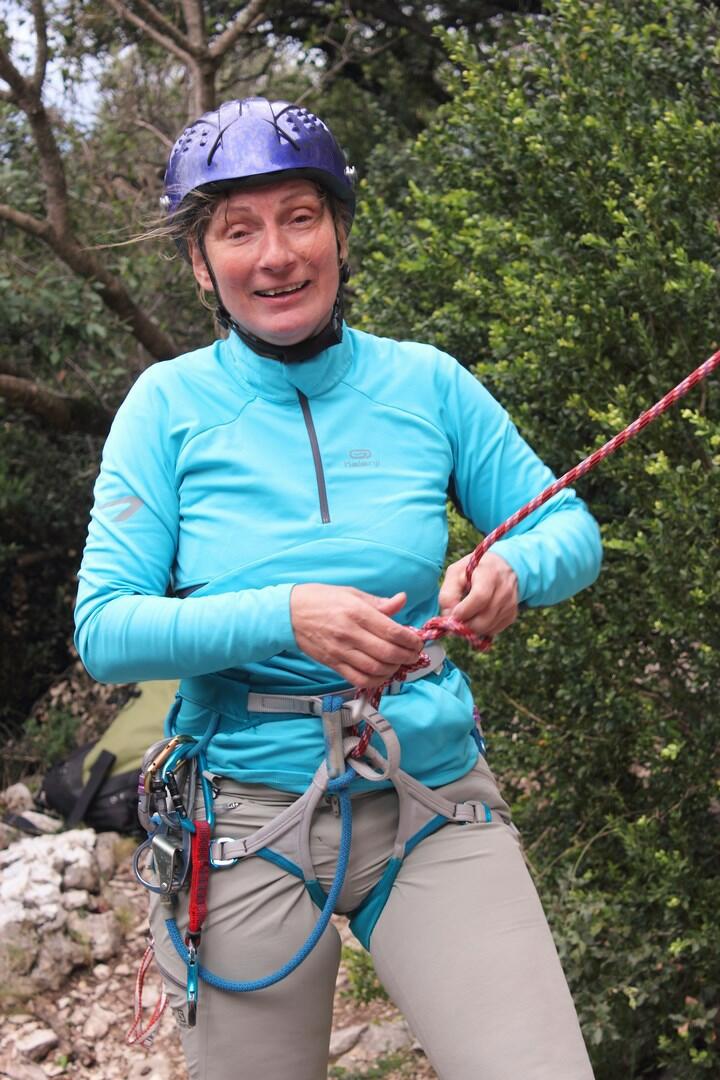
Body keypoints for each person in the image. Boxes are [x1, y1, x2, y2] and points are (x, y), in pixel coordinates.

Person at [75, 97, 602, 1080]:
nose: (276, 255)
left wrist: (511, 570)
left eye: (301, 217)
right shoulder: (168, 407)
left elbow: (568, 530)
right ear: (201, 265)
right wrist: (285, 615)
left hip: (429, 797)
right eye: (239, 230)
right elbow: (107, 629)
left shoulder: (427, 385)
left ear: (341, 236)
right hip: (243, 816)